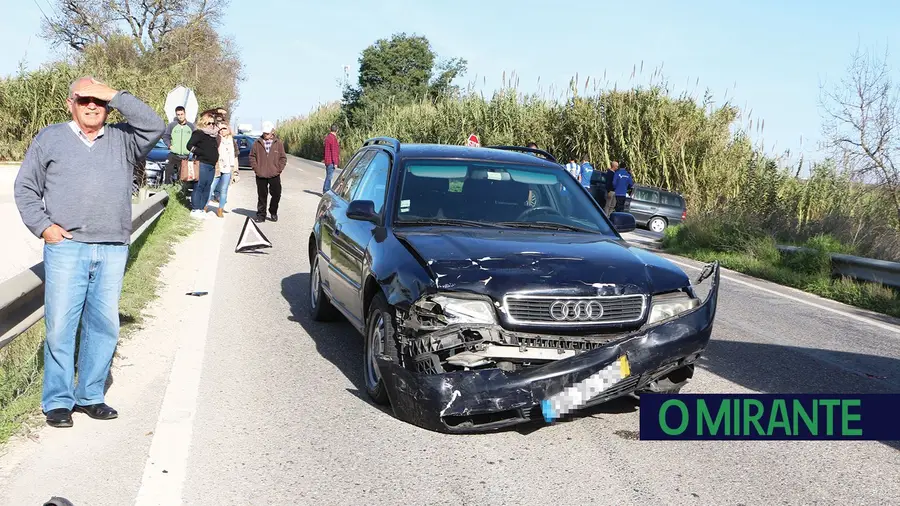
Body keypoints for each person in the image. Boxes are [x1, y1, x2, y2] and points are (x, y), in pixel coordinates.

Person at [13, 76, 165, 428]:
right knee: (60, 327)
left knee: (104, 325)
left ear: (109, 106)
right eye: (84, 100)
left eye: (99, 100)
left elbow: (155, 124)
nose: (92, 106)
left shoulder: (124, 139)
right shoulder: (51, 138)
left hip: (112, 247)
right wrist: (45, 227)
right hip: (67, 248)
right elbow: (25, 188)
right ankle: (58, 401)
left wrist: (113, 91)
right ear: (71, 104)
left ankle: (91, 395)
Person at [250, 121, 287, 223]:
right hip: (261, 174)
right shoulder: (257, 143)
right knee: (262, 195)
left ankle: (273, 211)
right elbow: (252, 157)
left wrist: (278, 169)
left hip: (274, 174)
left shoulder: (278, 143)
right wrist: (256, 169)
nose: (265, 135)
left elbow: (283, 158)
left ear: (272, 132)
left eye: (267, 133)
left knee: (276, 194)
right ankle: (261, 215)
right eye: (264, 133)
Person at [186, 112, 220, 217]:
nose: (211, 125)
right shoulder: (199, 133)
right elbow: (189, 145)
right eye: (209, 123)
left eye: (213, 123)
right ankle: (195, 208)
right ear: (204, 123)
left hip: (211, 165)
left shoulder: (214, 136)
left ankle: (201, 208)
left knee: (207, 187)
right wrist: (200, 152)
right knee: (199, 186)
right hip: (202, 163)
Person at [207, 123, 238, 218]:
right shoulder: (216, 138)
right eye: (220, 129)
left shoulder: (231, 140)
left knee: (224, 189)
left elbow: (234, 155)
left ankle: (220, 209)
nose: (222, 131)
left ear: (228, 129)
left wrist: (234, 169)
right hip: (217, 166)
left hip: (228, 167)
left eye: (224, 128)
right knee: (211, 186)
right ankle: (205, 205)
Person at [161, 105, 194, 184]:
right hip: (174, 154)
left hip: (186, 156)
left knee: (183, 179)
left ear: (185, 114)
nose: (180, 116)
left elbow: (195, 139)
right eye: (178, 115)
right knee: (168, 175)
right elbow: (165, 136)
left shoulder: (191, 126)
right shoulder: (172, 125)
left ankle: (181, 193)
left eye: (181, 114)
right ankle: (168, 191)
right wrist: (169, 145)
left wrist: (192, 149)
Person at [323, 123, 340, 193]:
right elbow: (334, 151)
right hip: (331, 161)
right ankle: (326, 190)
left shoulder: (327, 137)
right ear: (337, 130)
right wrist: (335, 162)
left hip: (327, 160)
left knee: (328, 176)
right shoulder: (333, 138)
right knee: (329, 177)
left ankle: (326, 190)